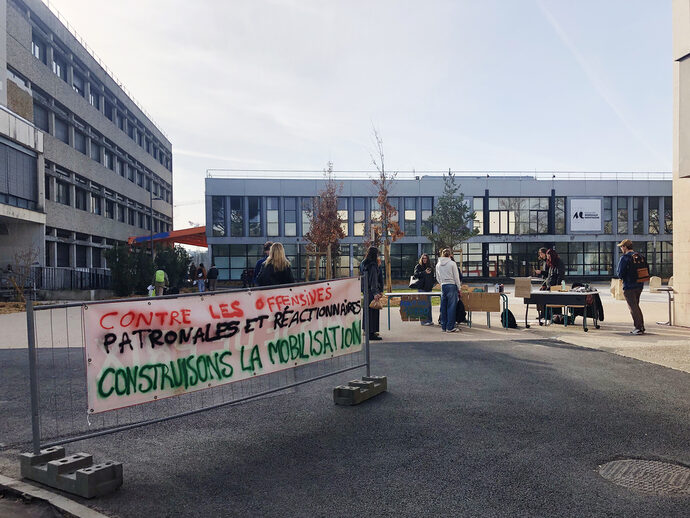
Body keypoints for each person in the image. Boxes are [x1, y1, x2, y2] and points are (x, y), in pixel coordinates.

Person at [617, 239, 645, 334]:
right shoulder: (639, 256)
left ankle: (638, 328)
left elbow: (620, 273)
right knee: (636, 306)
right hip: (640, 285)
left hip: (629, 286)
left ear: (625, 247)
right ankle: (641, 326)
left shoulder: (625, 258)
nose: (621, 248)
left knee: (633, 307)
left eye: (621, 246)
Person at [359, 246, 384, 341]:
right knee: (373, 311)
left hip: (365, 291)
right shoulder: (373, 265)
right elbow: (373, 280)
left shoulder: (363, 263)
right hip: (371, 291)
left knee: (367, 311)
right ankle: (372, 333)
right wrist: (376, 293)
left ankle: (366, 330)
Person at [435, 248, 462, 333]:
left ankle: (444, 326)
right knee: (451, 307)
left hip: (443, 285)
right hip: (452, 285)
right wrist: (459, 288)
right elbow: (456, 277)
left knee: (443, 307)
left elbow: (437, 277)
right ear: (450, 255)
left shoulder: (438, 264)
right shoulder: (452, 263)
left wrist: (442, 283)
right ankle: (450, 327)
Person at [413, 253, 436, 326]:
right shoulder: (418, 266)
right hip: (421, 288)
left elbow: (433, 276)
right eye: (423, 258)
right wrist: (424, 272)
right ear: (421, 259)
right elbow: (416, 275)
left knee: (429, 305)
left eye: (426, 258)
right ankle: (423, 322)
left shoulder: (430, 267)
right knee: (423, 305)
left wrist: (432, 283)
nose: (424, 260)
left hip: (429, 288)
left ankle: (429, 320)